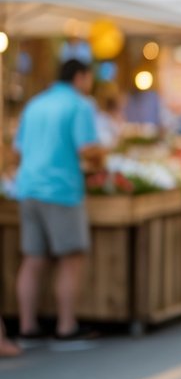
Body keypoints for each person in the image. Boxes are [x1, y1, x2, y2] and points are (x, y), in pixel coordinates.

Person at [12, 59, 106, 343]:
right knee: (71, 259)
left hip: (27, 187)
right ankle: (66, 327)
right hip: (61, 188)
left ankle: (27, 327)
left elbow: (16, 152)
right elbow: (89, 150)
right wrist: (103, 159)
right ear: (81, 77)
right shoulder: (79, 105)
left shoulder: (35, 103)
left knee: (33, 259)